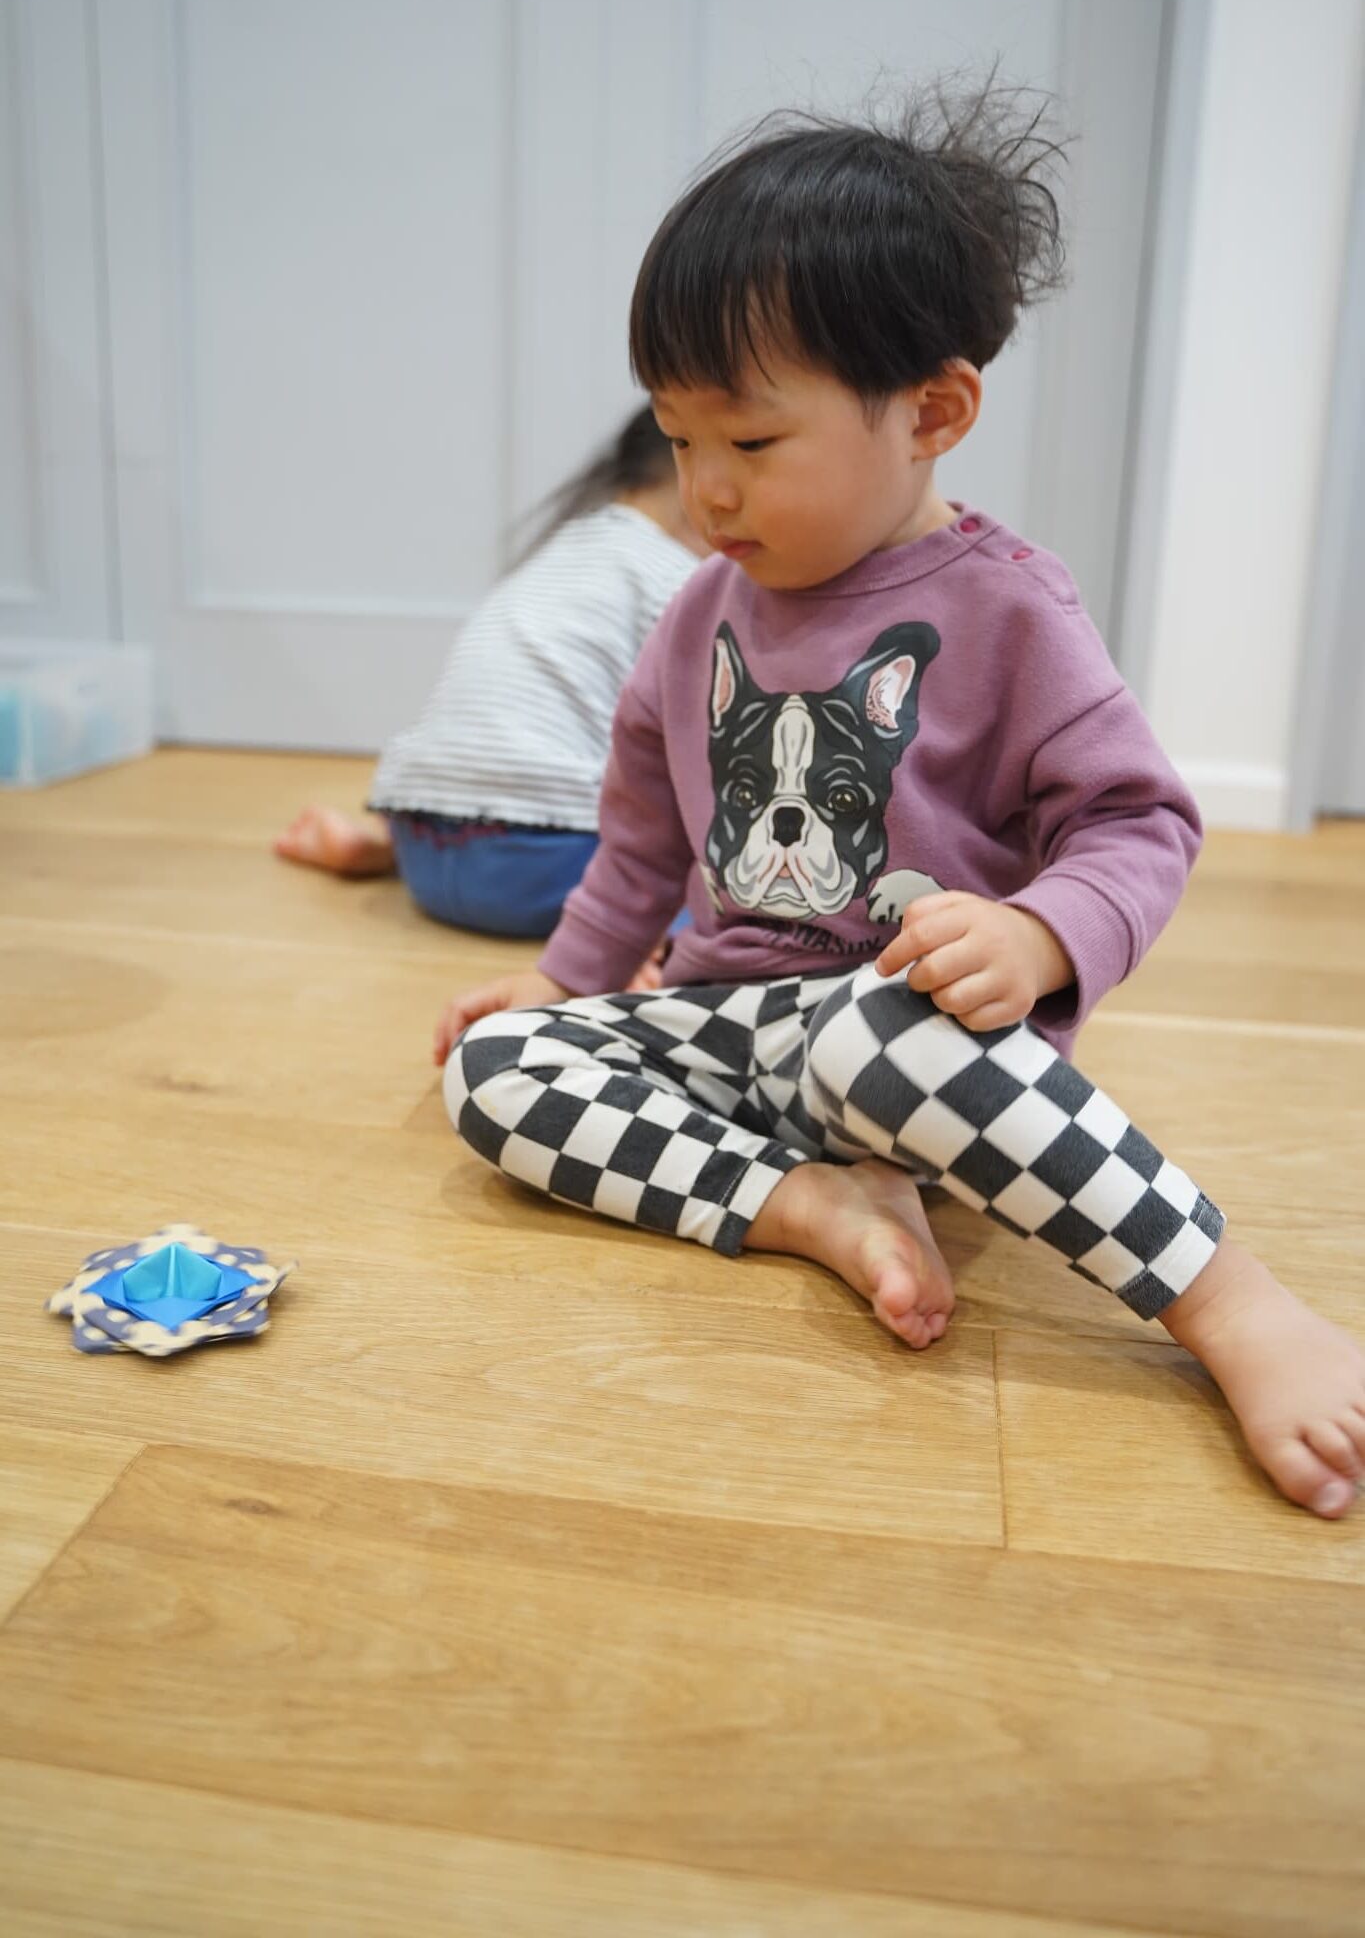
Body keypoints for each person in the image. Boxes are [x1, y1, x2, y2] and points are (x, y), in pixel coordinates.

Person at [434, 85, 1365, 1519]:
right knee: (495, 1074)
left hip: (908, 1038)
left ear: (933, 412)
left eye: (751, 444)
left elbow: (1138, 822)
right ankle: (810, 1204)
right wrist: (562, 982)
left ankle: (1225, 1297)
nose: (706, 492)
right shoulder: (695, 619)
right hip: (731, 1036)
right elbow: (641, 839)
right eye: (679, 441)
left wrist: (1041, 936)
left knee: (880, 1041)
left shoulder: (1011, 609)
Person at [275, 407, 702, 938]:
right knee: (734, 882)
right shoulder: (683, 581)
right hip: (547, 862)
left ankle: (380, 847)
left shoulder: (562, 553)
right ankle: (659, 942)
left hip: (424, 846)